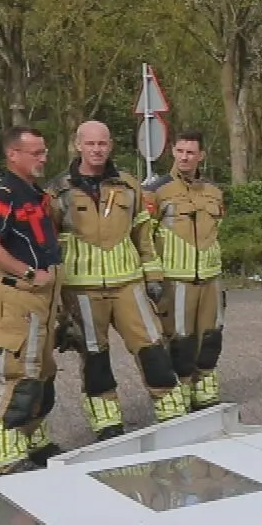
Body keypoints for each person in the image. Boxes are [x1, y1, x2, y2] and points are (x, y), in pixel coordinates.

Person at [45, 121, 185, 439]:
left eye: (102, 144)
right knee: (94, 357)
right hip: (81, 288)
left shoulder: (129, 185)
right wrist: (55, 297)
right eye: (90, 144)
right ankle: (107, 422)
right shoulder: (57, 191)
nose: (97, 150)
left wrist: (154, 276)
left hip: (129, 284)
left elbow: (143, 235)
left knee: (152, 347)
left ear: (110, 146)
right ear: (78, 145)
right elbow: (48, 244)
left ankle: (172, 410)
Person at [0, 126, 63, 473]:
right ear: (13, 155)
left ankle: (34, 442)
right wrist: (28, 273)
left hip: (42, 299)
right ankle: (7, 458)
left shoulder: (35, 194)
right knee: (18, 376)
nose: (43, 158)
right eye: (36, 153)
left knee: (41, 373)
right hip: (18, 297)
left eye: (44, 151)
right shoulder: (4, 194)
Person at [143, 131, 227, 410]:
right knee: (180, 341)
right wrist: (152, 277)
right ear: (172, 152)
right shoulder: (157, 190)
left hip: (211, 278)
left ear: (201, 156)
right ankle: (181, 390)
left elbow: (217, 228)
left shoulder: (214, 190)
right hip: (175, 279)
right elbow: (144, 235)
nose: (184, 157)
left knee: (211, 336)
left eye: (190, 152)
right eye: (180, 151)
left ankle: (205, 390)